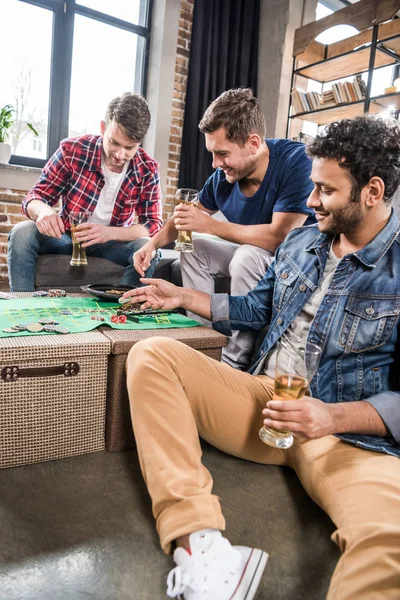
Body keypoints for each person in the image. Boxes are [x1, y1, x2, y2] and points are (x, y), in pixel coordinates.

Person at [123, 115, 400, 600]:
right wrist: (183, 298)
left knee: (390, 542)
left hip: (345, 431)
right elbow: (255, 309)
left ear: (372, 191)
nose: (310, 202)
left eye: (325, 191)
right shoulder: (304, 239)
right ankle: (202, 549)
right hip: (265, 401)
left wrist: (330, 415)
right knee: (152, 357)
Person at [134, 88, 315, 370]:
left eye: (222, 153)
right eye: (212, 153)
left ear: (253, 143)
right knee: (191, 247)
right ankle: (204, 340)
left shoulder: (296, 162)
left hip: (293, 263)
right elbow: (185, 216)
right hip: (255, 254)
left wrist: (212, 225)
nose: (215, 164)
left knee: (247, 255)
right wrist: (151, 244)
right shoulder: (222, 177)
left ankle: (233, 361)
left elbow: (280, 237)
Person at [8, 92, 163, 292]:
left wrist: (109, 233)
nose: (119, 154)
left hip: (112, 244)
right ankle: (23, 308)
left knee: (148, 248)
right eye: (114, 142)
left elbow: (152, 225)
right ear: (103, 127)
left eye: (129, 148)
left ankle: (122, 309)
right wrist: (43, 211)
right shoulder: (73, 150)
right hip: (67, 238)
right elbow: (34, 198)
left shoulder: (147, 168)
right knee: (23, 232)